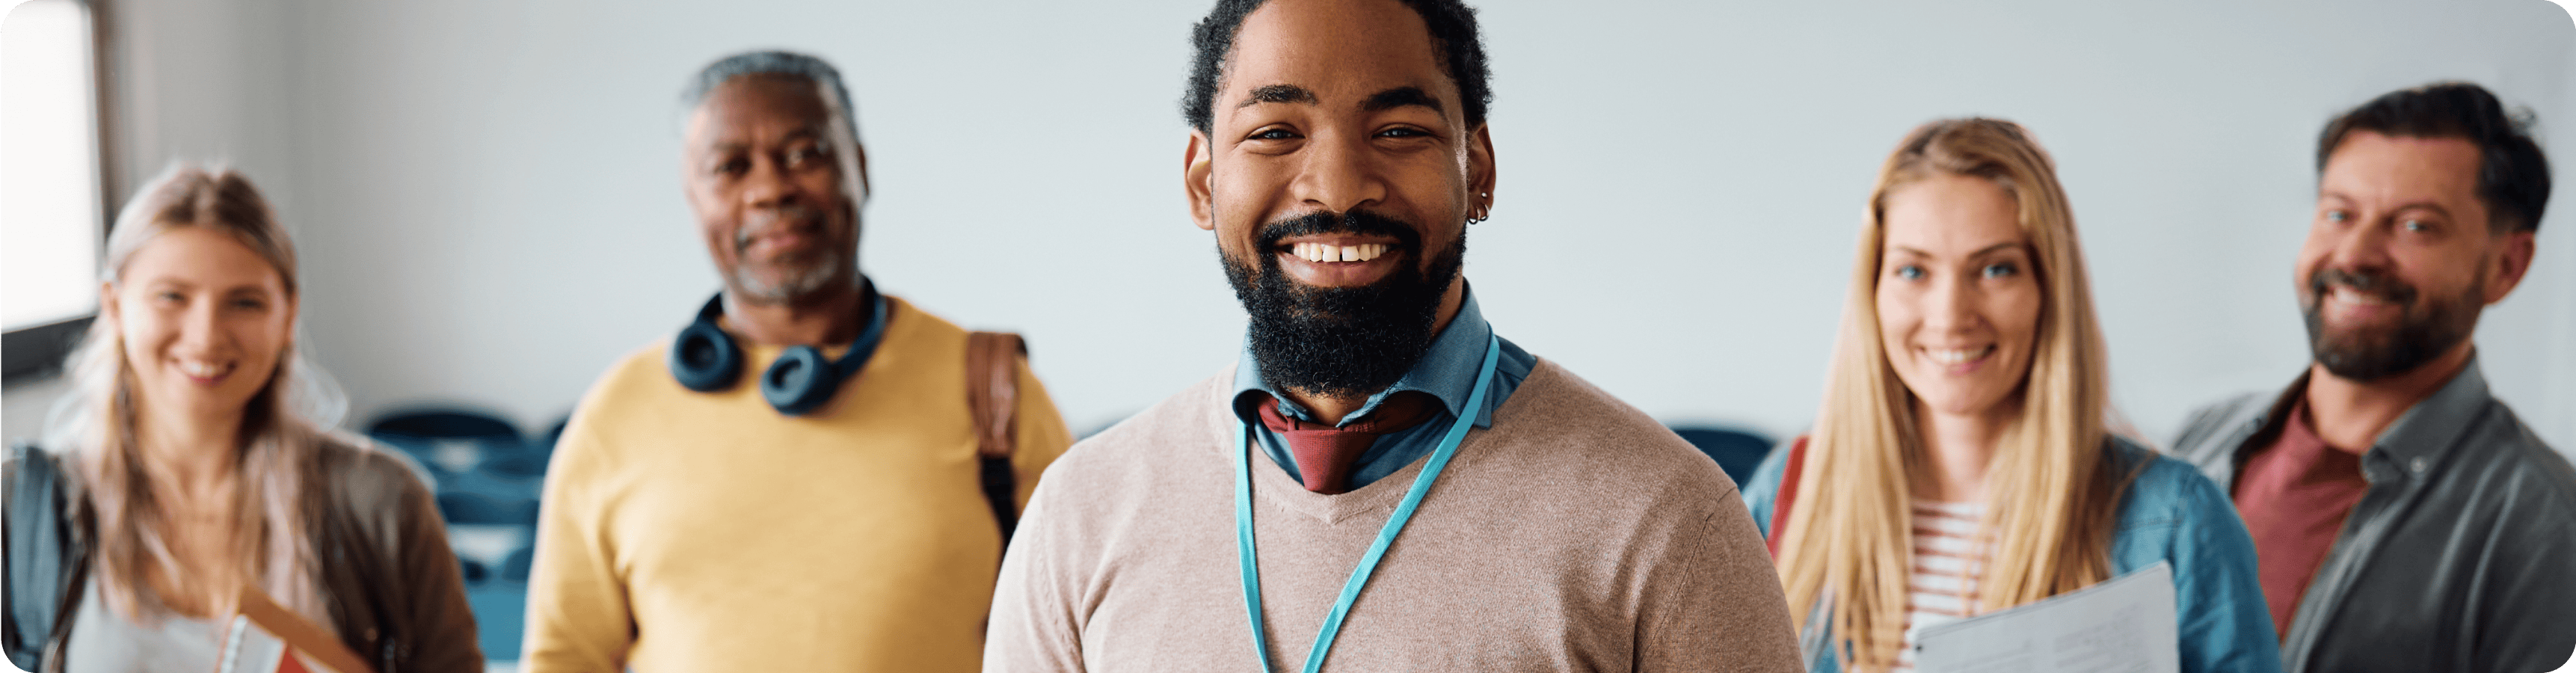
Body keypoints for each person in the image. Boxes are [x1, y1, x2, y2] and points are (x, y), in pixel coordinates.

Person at [982, 0, 1801, 670]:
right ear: (1203, 183)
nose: (1337, 185)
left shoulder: (1665, 521)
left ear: (1476, 169)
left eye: (1399, 131)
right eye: (1275, 132)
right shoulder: (1080, 515)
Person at [518, 51, 1075, 672]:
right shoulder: (617, 409)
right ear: (694, 198)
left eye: (804, 154)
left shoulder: (996, 390)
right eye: (731, 167)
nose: (770, 189)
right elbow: (564, 658)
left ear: (859, 168)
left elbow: (1071, 640)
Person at [1740, 119, 2281, 673]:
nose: (1950, 316)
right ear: (1873, 290)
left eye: (1995, 269)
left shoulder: (2176, 520)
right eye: (1912, 271)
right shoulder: (1787, 491)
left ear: (2048, 289)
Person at [0, 163, 482, 672]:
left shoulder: (384, 501)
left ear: (289, 316)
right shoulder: (21, 510)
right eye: (172, 297)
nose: (206, 335)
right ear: (114, 307)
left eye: (245, 303)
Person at [2169, 82, 2575, 673]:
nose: (2355, 254)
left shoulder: (2546, 529)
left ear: (2505, 267)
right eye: (2338, 213)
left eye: (2415, 226)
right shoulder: (2200, 440)